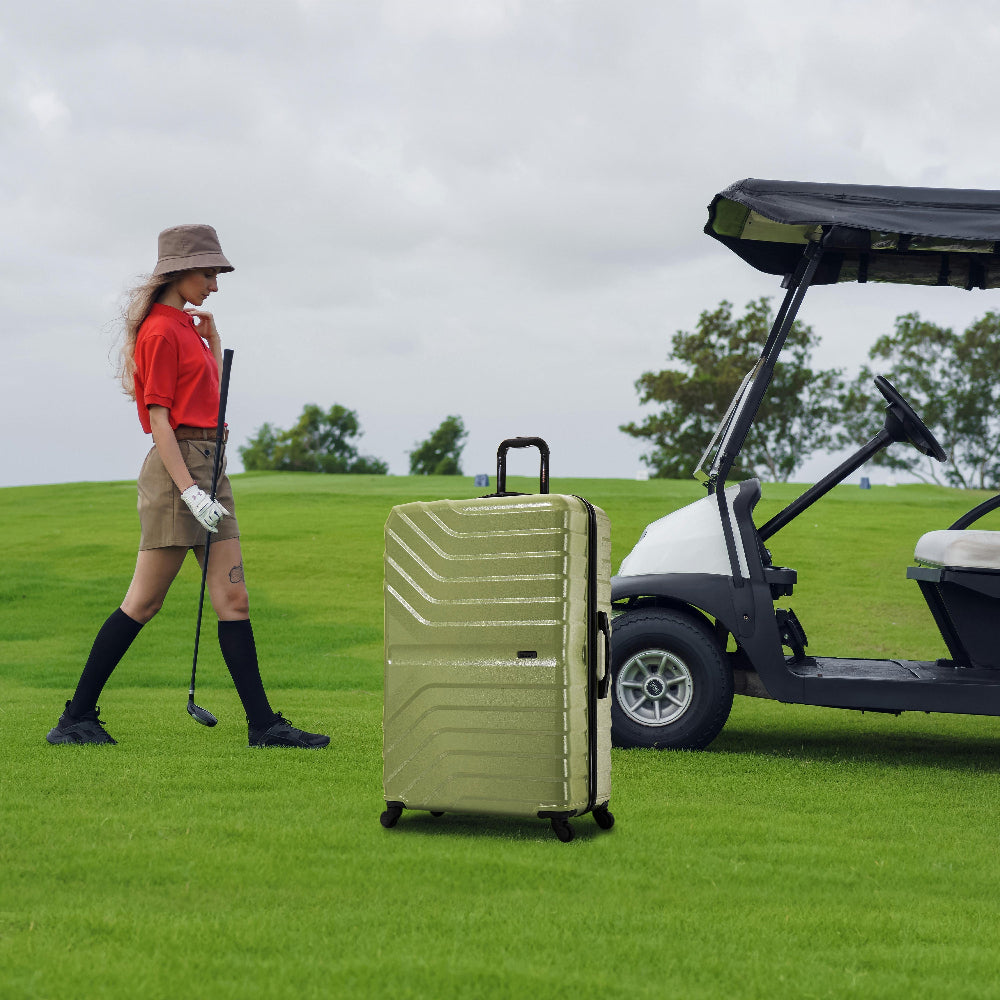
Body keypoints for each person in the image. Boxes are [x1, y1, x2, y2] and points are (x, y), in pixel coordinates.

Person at [46, 224, 329, 749]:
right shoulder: (159, 331)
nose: (215, 285)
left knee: (234, 598)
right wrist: (190, 491)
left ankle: (264, 726)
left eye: (217, 274)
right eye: (208, 273)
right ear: (178, 272)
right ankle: (75, 719)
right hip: (180, 472)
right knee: (144, 602)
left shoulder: (191, 330)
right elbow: (159, 419)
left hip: (210, 466)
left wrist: (214, 341)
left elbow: (208, 403)